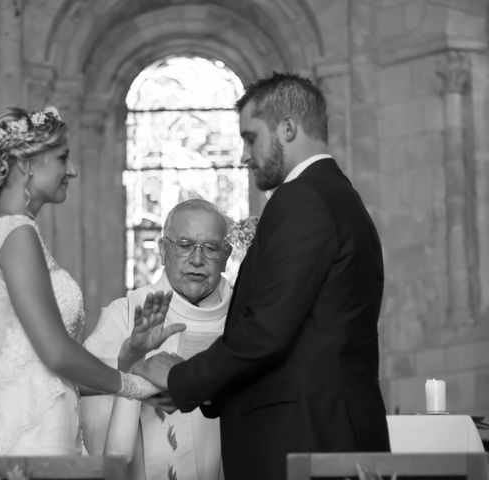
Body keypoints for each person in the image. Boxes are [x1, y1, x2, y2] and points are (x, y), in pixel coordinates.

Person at [0, 106, 183, 480]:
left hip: (38, 413)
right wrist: (134, 384)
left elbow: (29, 363)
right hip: (30, 427)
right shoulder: (17, 234)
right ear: (27, 164)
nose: (72, 170)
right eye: (62, 158)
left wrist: (128, 372)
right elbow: (56, 353)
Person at [135, 72, 391, 479]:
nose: (243, 155)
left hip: (304, 438)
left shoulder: (302, 199)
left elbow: (267, 332)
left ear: (287, 128)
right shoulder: (340, 198)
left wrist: (181, 377)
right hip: (326, 430)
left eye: (251, 137)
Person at [82, 199, 233, 480]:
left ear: (226, 255)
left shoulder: (245, 319)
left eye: (211, 248)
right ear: (163, 250)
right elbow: (95, 415)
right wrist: (131, 365)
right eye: (185, 245)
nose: (197, 260)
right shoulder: (126, 314)